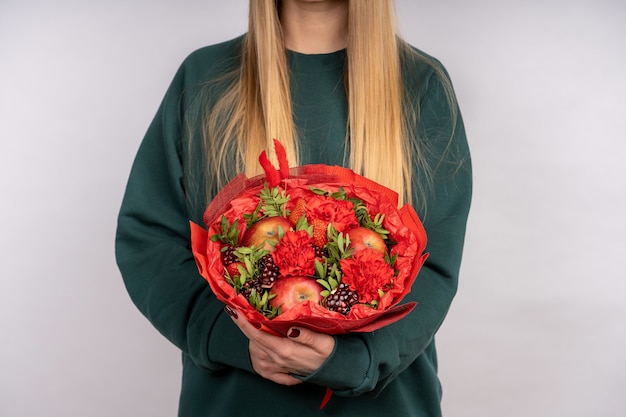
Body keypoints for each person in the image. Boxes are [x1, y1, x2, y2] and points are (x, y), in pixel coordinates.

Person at [115, 0, 472, 416]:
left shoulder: (420, 84)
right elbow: (149, 238)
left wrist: (352, 361)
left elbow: (435, 267)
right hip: (236, 403)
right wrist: (235, 341)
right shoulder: (204, 78)